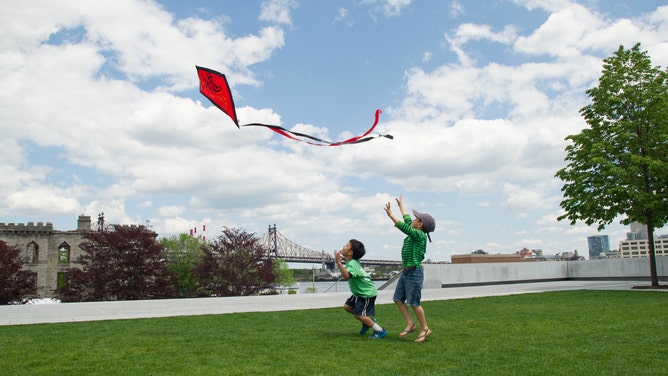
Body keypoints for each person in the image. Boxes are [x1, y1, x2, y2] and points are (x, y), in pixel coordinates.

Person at [384, 196, 435, 343]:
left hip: (414, 273)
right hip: (406, 271)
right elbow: (407, 221)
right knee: (398, 299)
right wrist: (401, 206)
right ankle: (410, 324)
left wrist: (391, 215)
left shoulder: (419, 235)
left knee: (414, 303)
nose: (412, 219)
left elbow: (404, 226)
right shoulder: (415, 231)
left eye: (415, 219)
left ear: (419, 224)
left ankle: (425, 328)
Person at [334, 239, 388, 339]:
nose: (343, 246)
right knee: (348, 307)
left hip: (365, 293)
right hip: (359, 293)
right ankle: (368, 322)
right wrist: (343, 258)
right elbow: (348, 261)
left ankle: (380, 330)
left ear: (350, 252)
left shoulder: (352, 264)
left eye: (346, 245)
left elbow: (346, 276)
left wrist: (338, 262)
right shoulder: (352, 261)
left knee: (358, 314)